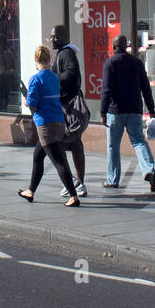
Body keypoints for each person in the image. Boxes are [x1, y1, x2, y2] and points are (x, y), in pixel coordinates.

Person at [17, 45, 80, 208]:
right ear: (49, 59)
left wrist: (25, 99)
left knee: (58, 161)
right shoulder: (54, 77)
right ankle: (30, 191)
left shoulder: (36, 79)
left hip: (45, 124)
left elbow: (31, 102)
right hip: (58, 121)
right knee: (38, 156)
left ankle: (73, 195)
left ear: (36, 60)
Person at [100, 34, 155, 190]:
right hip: (134, 110)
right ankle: (149, 170)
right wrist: (151, 109)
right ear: (126, 46)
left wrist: (102, 112)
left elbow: (106, 90)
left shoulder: (110, 63)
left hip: (115, 111)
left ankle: (112, 180)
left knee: (113, 146)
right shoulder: (137, 63)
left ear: (113, 47)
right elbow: (146, 88)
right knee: (139, 142)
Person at [49, 24, 86, 194]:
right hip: (65, 105)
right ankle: (77, 183)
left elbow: (71, 74)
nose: (52, 39)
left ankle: (74, 183)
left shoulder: (66, 53)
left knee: (63, 144)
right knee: (74, 142)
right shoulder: (63, 53)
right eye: (51, 36)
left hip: (67, 107)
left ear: (64, 36)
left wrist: (53, 78)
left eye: (55, 36)